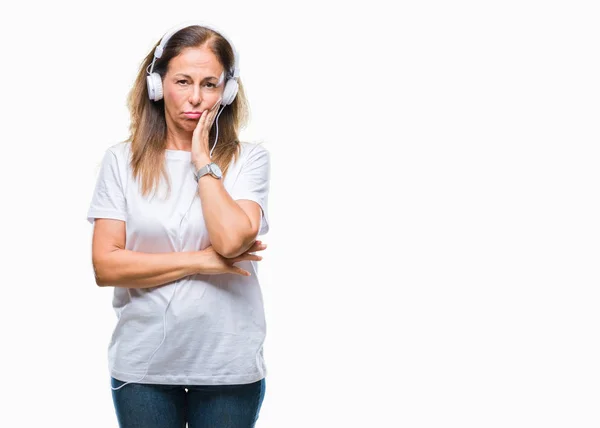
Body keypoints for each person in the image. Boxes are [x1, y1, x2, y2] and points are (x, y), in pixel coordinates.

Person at [86, 22, 271, 428]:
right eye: (183, 81)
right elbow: (106, 267)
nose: (195, 98)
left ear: (228, 91)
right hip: (143, 371)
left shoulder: (248, 160)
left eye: (209, 84)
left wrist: (203, 160)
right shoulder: (122, 162)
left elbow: (231, 239)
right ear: (157, 85)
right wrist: (201, 262)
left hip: (228, 366)